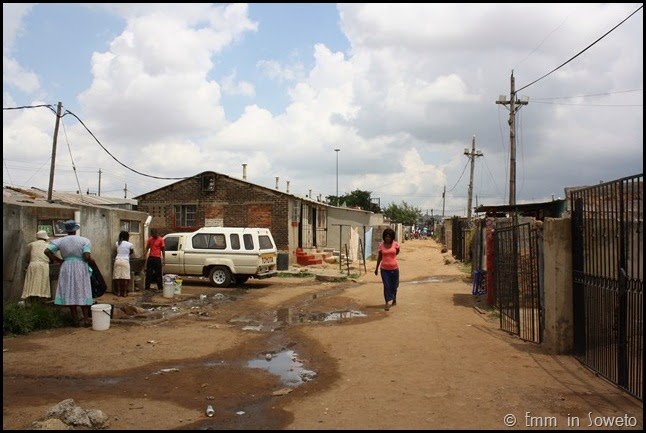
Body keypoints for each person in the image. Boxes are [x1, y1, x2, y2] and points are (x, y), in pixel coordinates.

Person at [44, 220, 94, 327]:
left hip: (66, 266)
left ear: (66, 230)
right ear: (75, 230)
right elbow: (86, 256)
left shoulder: (60, 241)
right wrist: (90, 261)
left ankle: (75, 320)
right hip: (80, 267)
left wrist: (58, 260)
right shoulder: (84, 240)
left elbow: (47, 251)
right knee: (83, 290)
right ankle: (86, 320)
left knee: (70, 290)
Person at [21, 230, 54, 304]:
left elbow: (27, 256)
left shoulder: (31, 245)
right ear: (45, 238)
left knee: (32, 283)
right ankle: (42, 302)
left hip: (32, 265)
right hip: (43, 265)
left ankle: (32, 302)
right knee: (42, 283)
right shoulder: (48, 245)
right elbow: (52, 256)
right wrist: (53, 261)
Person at [374, 227, 400, 311]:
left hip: (394, 268)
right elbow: (379, 257)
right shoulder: (381, 246)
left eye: (389, 237)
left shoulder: (395, 244)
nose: (387, 238)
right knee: (386, 285)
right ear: (384, 237)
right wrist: (376, 268)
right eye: (386, 236)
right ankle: (387, 303)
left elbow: (397, 252)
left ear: (392, 237)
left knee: (394, 285)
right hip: (384, 269)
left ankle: (394, 298)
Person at [113, 230, 135, 297]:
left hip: (117, 261)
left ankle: (119, 292)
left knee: (117, 277)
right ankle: (125, 293)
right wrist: (127, 254)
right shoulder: (130, 244)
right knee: (125, 278)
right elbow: (131, 252)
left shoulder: (117, 243)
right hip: (125, 261)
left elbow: (116, 251)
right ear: (127, 237)